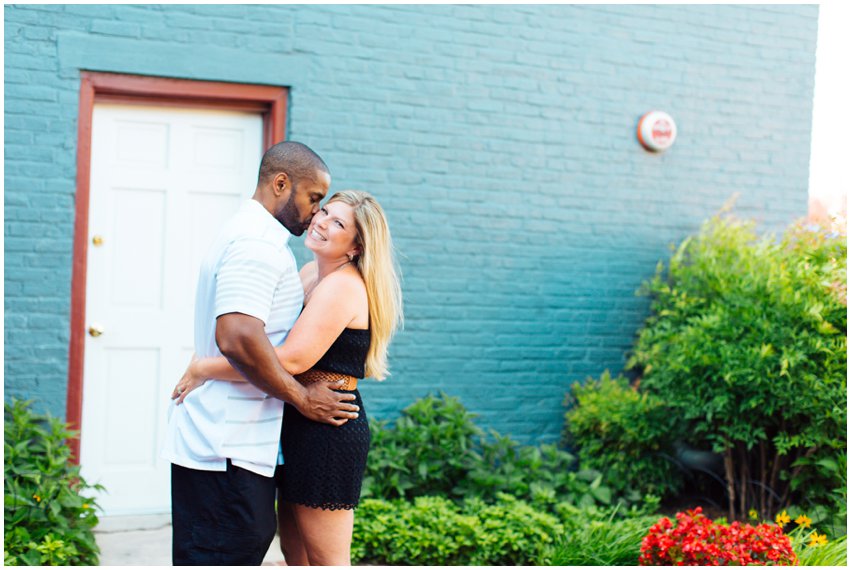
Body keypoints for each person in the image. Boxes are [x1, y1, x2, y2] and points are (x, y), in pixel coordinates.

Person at [172, 190, 403, 565]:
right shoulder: (311, 273)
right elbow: (271, 346)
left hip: (328, 429)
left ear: (356, 247)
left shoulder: (343, 287)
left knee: (327, 560)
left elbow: (288, 359)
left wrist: (204, 367)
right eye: (324, 211)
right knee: (295, 554)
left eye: (338, 223)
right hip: (298, 418)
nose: (322, 221)